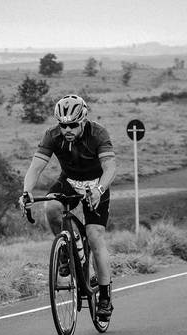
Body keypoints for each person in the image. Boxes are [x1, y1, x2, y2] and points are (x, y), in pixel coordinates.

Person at [19, 94, 117, 320]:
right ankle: (66, 251)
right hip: (70, 181)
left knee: (94, 236)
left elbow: (110, 167)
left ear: (83, 120)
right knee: (52, 208)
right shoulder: (52, 136)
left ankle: (104, 297)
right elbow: (36, 168)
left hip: (96, 187)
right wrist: (26, 192)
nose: (67, 129)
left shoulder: (98, 133)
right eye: (63, 125)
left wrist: (99, 189)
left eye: (73, 124)